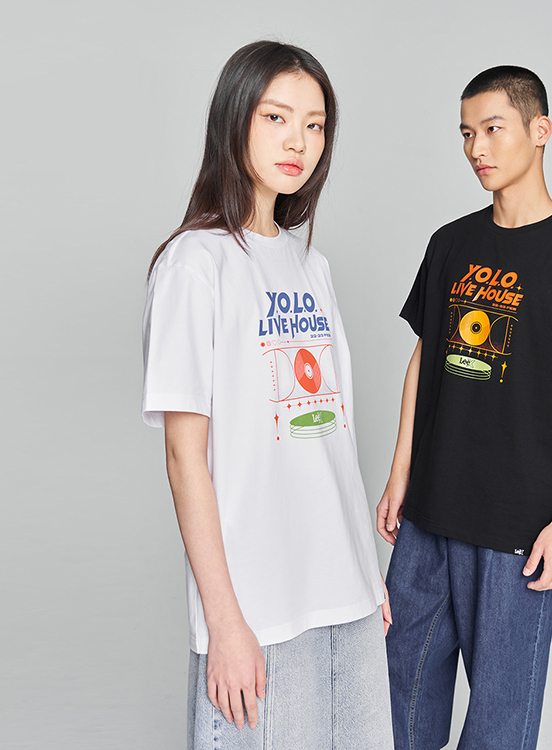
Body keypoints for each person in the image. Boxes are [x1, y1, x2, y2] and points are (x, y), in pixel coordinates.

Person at [142, 41, 393, 750]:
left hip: (345, 595)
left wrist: (369, 578)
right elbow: (185, 459)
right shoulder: (195, 264)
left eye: (315, 125)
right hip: (258, 609)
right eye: (276, 117)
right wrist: (223, 621)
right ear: (235, 120)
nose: (298, 142)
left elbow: (336, 437)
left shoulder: (313, 266)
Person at [377, 65, 552, 750]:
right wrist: (400, 473)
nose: (476, 148)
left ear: (539, 130)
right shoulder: (450, 243)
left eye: (492, 129)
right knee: (399, 697)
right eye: (466, 133)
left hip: (518, 526)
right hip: (429, 514)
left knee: (500, 718)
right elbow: (425, 359)